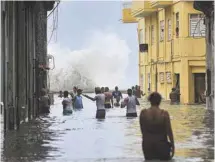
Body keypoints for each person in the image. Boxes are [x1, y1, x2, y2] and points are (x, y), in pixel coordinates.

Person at [139, 92, 175, 160]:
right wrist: (173, 146)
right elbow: (169, 132)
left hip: (148, 145)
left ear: (150, 100)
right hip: (161, 144)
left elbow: (143, 131)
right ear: (160, 101)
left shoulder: (143, 113)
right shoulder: (164, 114)